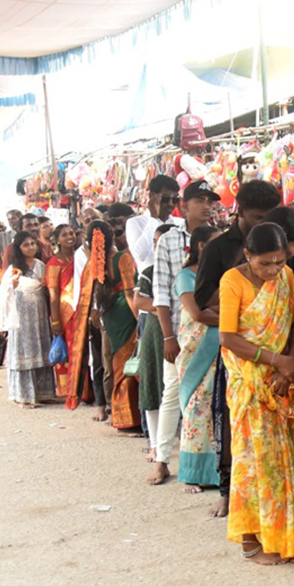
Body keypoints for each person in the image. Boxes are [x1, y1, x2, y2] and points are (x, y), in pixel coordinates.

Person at [218, 222, 294, 564]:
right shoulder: (232, 281)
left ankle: (282, 539)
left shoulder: (284, 277)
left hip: (281, 378)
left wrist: (289, 364)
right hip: (249, 382)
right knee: (251, 461)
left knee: (283, 461)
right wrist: (276, 361)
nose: (272, 270)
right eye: (264, 264)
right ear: (247, 256)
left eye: (279, 262)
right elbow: (228, 337)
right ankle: (251, 542)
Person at [193, 180, 284, 515]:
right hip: (238, 352)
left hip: (275, 352)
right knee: (234, 424)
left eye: (268, 217)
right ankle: (229, 492)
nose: (264, 224)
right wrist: (244, 299)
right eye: (258, 218)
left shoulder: (278, 240)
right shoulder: (219, 249)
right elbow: (202, 299)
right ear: (240, 212)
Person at [149, 181, 218, 486]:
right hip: (181, 333)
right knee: (173, 395)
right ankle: (162, 460)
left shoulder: (221, 237)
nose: (206, 206)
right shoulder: (168, 240)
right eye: (200, 200)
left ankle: (213, 466)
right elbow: (161, 293)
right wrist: (168, 337)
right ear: (184, 204)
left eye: (210, 201)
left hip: (215, 333)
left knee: (210, 400)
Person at [176, 224, 221, 491]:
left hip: (220, 345)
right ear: (203, 246)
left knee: (215, 405)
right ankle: (192, 472)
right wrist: (229, 317)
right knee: (196, 404)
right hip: (197, 348)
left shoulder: (221, 275)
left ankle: (216, 470)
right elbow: (198, 313)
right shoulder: (186, 276)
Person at [0, 231, 55, 407]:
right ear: (19, 248)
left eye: (32, 244)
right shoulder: (14, 268)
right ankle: (23, 395)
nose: (30, 248)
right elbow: (3, 292)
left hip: (39, 312)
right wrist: (11, 285)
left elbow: (47, 290)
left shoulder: (40, 265)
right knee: (23, 349)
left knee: (41, 347)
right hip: (21, 314)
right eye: (26, 245)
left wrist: (45, 286)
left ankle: (43, 392)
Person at [100, 205, 141, 430]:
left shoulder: (96, 262)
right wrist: (139, 319)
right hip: (125, 310)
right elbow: (128, 291)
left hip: (110, 312)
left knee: (118, 362)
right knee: (127, 363)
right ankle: (130, 418)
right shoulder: (123, 259)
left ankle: (119, 415)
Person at [67, 220, 112, 414]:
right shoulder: (81, 257)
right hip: (94, 314)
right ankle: (102, 404)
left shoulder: (116, 256)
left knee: (111, 360)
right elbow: (82, 286)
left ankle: (111, 405)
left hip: (112, 313)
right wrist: (89, 312)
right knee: (100, 361)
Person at [138, 224, 175, 455]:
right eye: (154, 241)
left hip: (178, 331)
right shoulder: (148, 272)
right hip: (154, 334)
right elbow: (139, 302)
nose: (156, 246)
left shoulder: (184, 270)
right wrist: (163, 306)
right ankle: (155, 444)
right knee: (152, 385)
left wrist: (158, 305)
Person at [47, 224, 79, 396]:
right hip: (65, 313)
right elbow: (53, 294)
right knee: (67, 350)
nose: (69, 237)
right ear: (57, 240)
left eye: (72, 233)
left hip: (81, 310)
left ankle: (83, 389)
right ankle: (67, 390)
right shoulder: (54, 263)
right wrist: (56, 321)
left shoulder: (81, 258)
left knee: (80, 350)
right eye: (64, 234)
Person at [127, 175, 183, 271]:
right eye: (165, 199)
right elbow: (141, 255)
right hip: (150, 283)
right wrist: (153, 218)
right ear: (152, 196)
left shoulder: (181, 223)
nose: (170, 204)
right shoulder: (135, 223)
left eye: (174, 200)